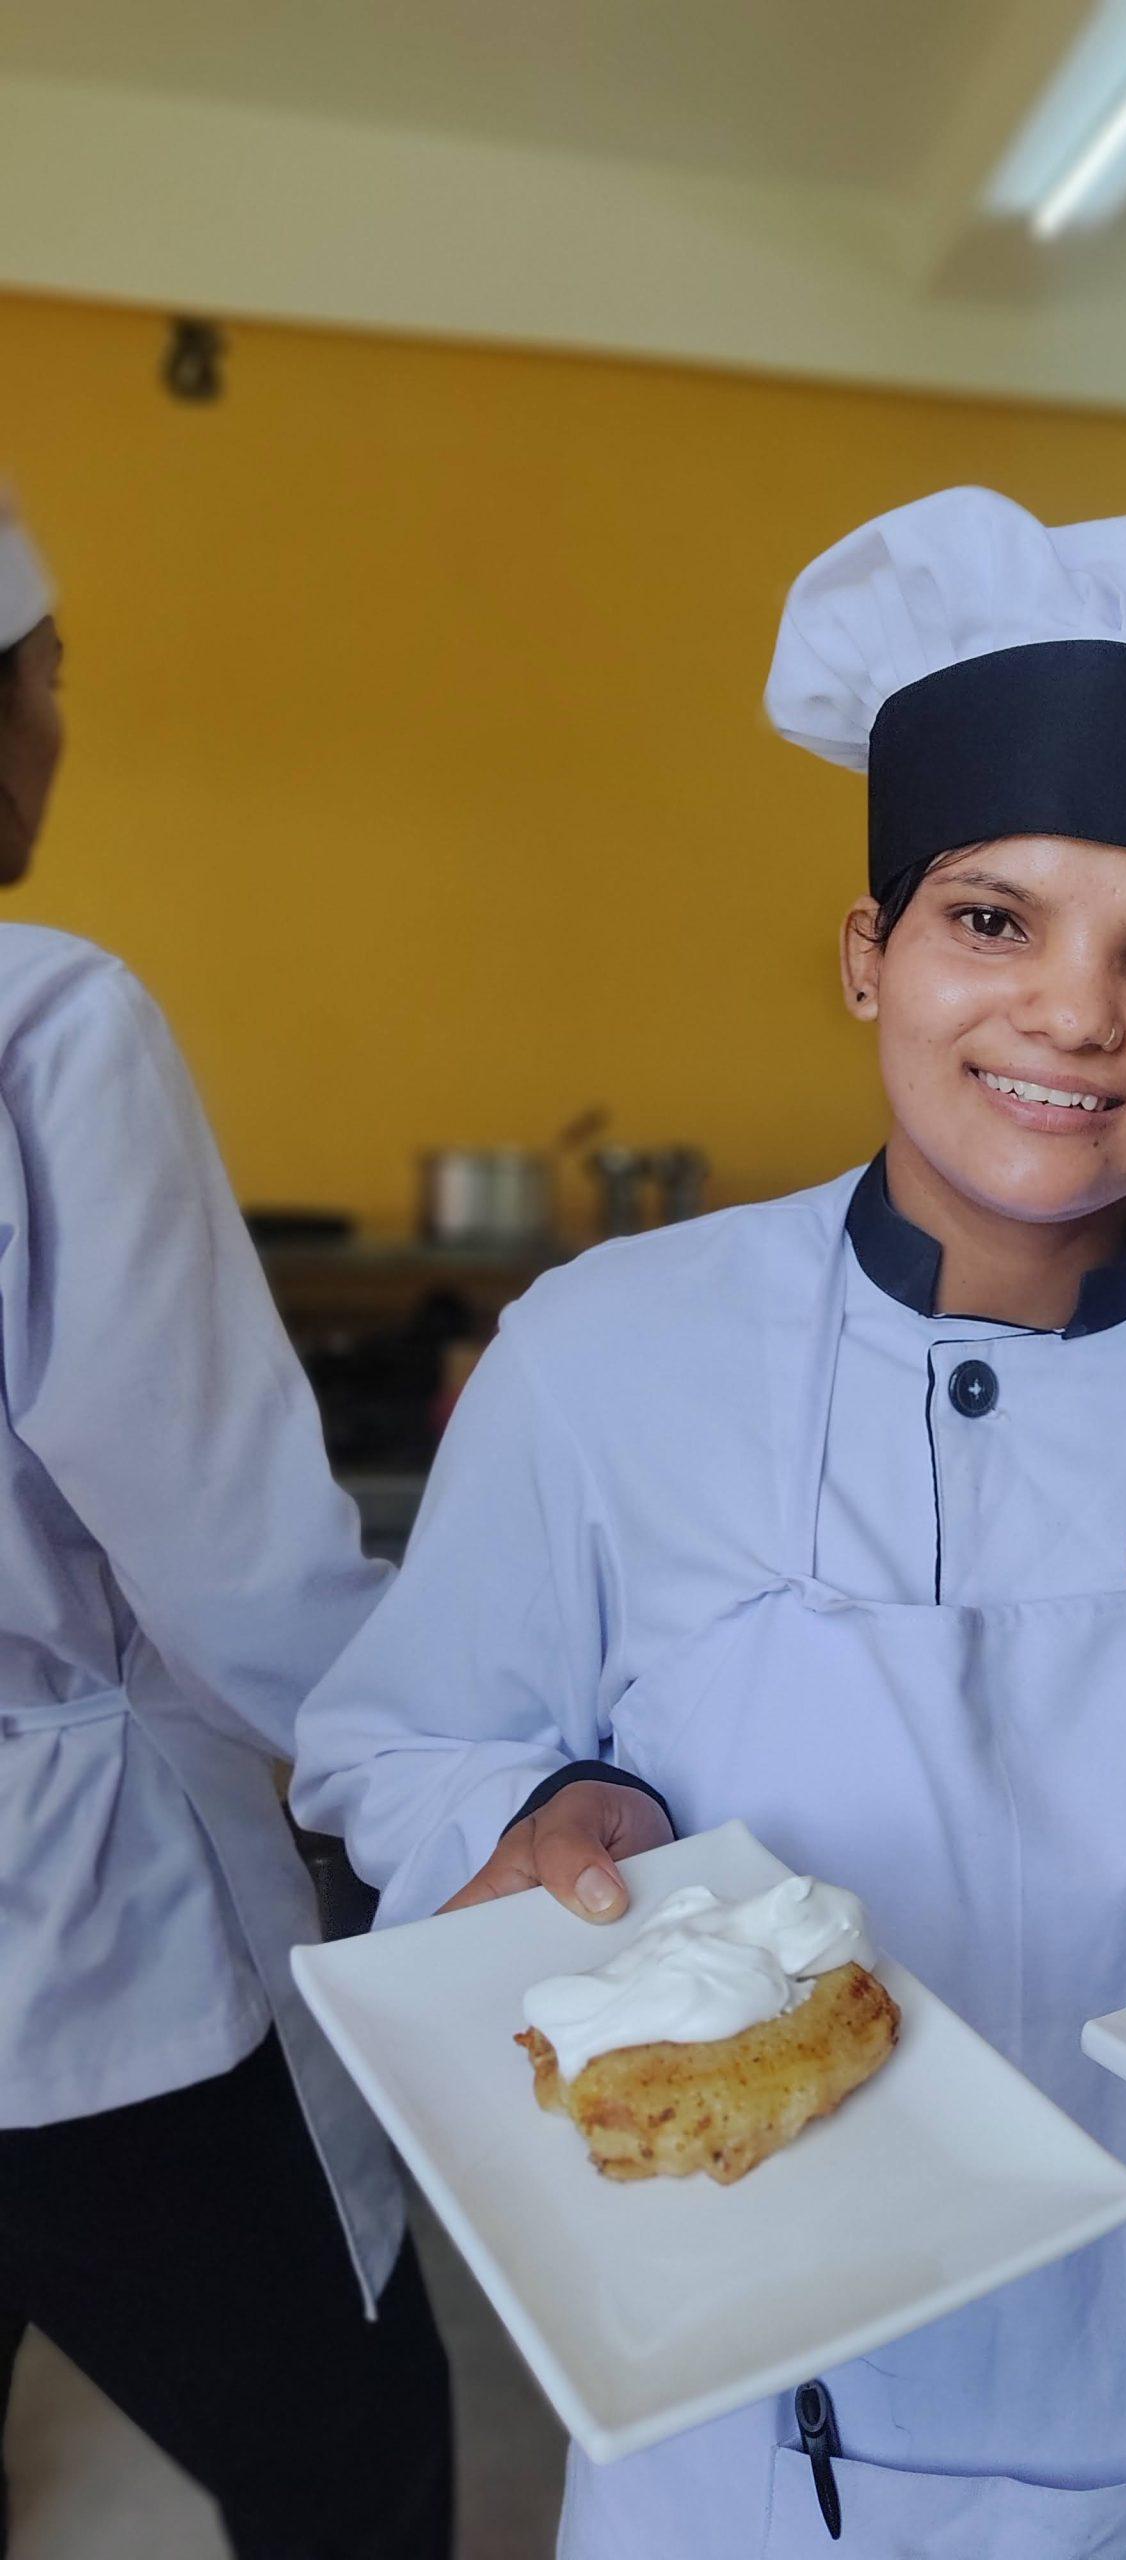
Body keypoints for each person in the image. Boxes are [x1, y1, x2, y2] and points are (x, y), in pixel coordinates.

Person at [294, 488, 1126, 2560]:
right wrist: (553, 1809)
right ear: (870, 954)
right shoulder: (612, 1348)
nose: (1074, 1013)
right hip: (763, 2419)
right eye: (990, 918)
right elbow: (401, 1743)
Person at [0, 500, 453, 2558]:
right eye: (54, 669)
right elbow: (228, 1553)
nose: (65, 721)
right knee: (351, 2449)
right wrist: (487, 1771)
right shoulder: (45, 1017)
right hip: (79, 1947)